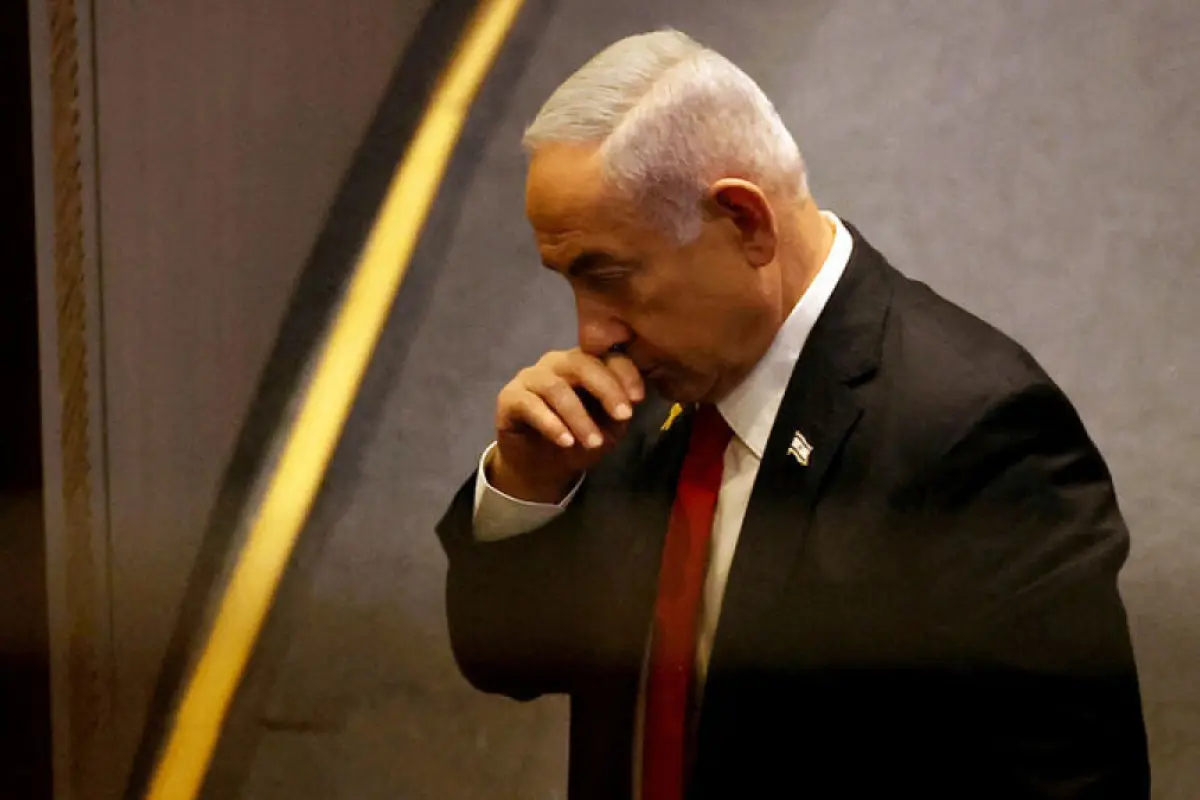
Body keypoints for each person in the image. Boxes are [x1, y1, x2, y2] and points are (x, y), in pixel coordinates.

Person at [435, 29, 1149, 800]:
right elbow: (508, 661)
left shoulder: (977, 439)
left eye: (608, 275)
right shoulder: (638, 396)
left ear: (746, 221)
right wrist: (527, 488)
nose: (591, 334)